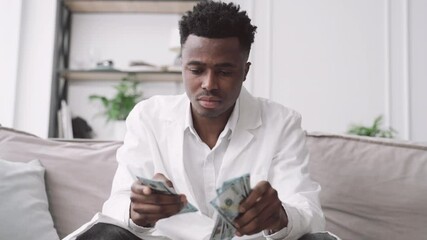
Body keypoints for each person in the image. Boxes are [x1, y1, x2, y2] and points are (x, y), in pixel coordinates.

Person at [75, 1, 337, 239]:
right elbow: (116, 204)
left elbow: (308, 210)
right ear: (182, 66)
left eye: (224, 71)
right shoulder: (148, 117)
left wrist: (280, 217)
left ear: (245, 71)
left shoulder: (282, 122)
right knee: (105, 233)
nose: (209, 84)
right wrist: (137, 211)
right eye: (196, 70)